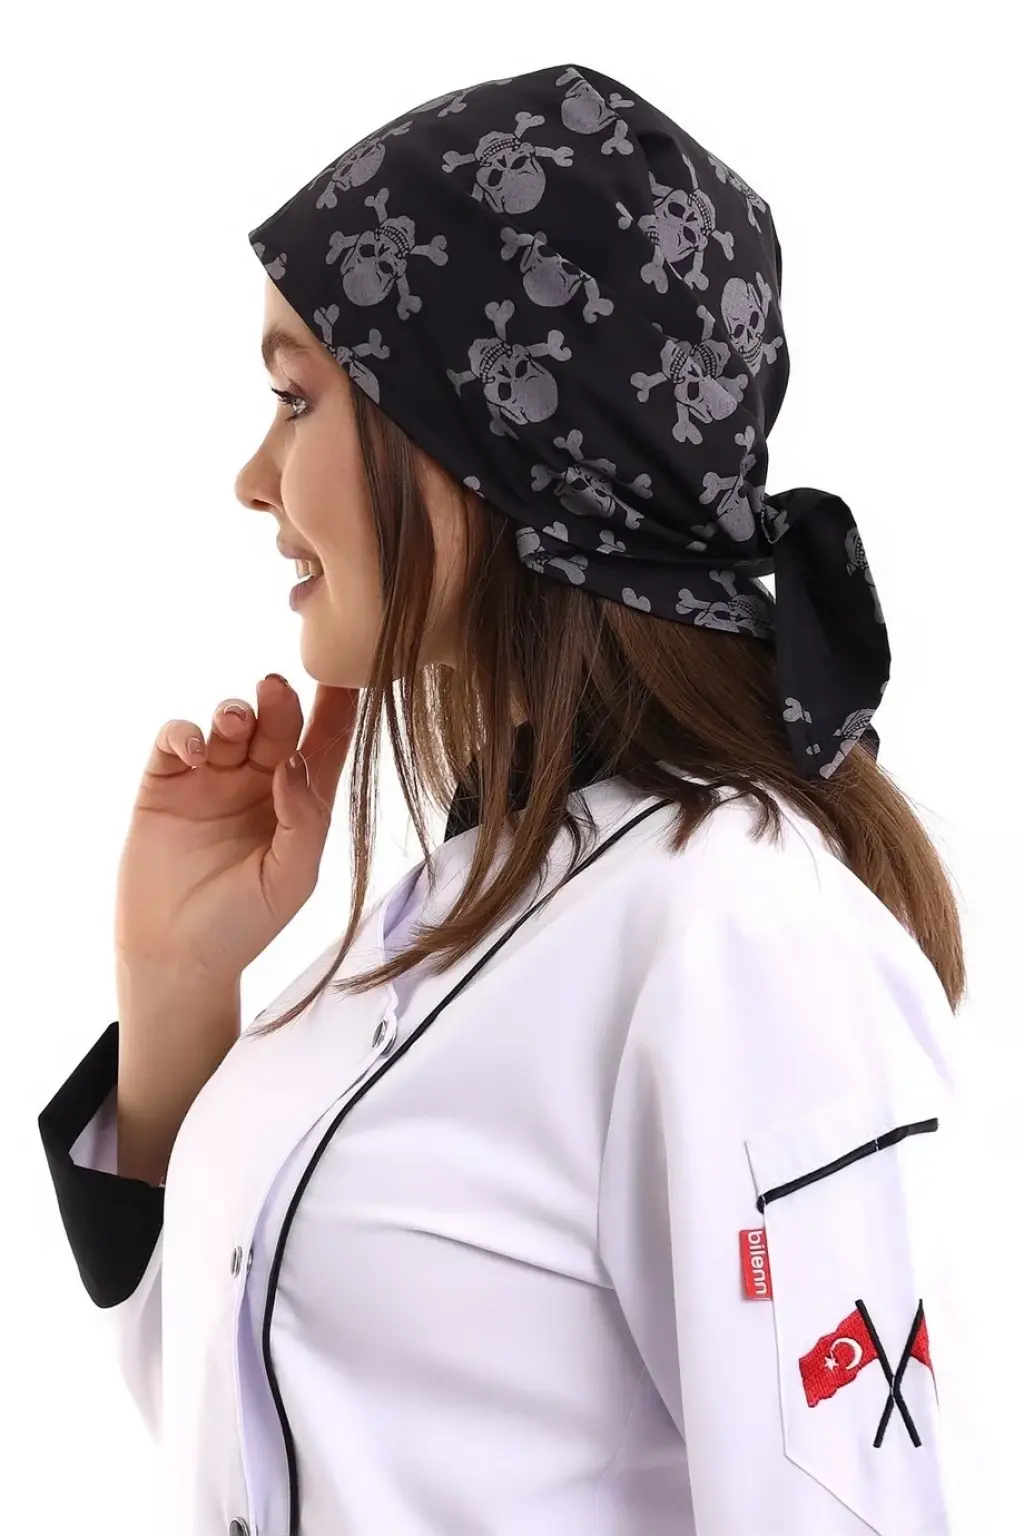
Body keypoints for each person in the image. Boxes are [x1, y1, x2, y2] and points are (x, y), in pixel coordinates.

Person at [38, 62, 975, 1535]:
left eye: (295, 399)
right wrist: (176, 990)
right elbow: (258, 1440)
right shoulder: (445, 915)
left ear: (490, 442)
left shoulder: (739, 938)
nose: (252, 478)